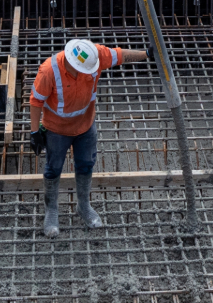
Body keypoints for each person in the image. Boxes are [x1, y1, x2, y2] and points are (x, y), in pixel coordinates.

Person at [28, 38, 147, 237]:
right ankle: (51, 211)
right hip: (57, 130)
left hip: (85, 126)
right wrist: (34, 132)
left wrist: (147, 54)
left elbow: (121, 55)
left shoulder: (94, 56)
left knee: (85, 164)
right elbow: (35, 101)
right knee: (53, 168)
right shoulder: (49, 71)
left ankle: (83, 206)